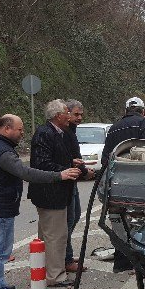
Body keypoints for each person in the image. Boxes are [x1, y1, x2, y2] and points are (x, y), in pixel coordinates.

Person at [0, 114, 80, 289]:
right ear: (7, 129)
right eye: (19, 129)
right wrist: (59, 175)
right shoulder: (3, 153)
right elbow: (26, 173)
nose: (22, 133)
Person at [101, 97, 145, 273]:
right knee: (140, 222)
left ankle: (122, 262)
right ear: (142, 111)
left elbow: (105, 157)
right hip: (138, 181)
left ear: (125, 110)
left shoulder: (114, 128)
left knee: (119, 222)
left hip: (116, 182)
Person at [28, 99, 82, 287]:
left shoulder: (56, 133)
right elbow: (41, 163)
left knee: (48, 236)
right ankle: (55, 276)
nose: (70, 117)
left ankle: (43, 270)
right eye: (68, 112)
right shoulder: (44, 133)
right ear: (59, 116)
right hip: (50, 194)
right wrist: (65, 171)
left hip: (55, 193)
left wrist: (73, 164)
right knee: (56, 236)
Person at [64, 99, 94, 273]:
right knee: (68, 220)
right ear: (65, 113)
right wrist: (84, 171)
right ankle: (65, 258)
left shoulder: (71, 131)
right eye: (76, 114)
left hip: (72, 182)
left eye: (81, 114)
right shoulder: (64, 132)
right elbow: (66, 157)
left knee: (74, 217)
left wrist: (82, 169)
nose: (79, 118)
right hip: (65, 181)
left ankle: (66, 254)